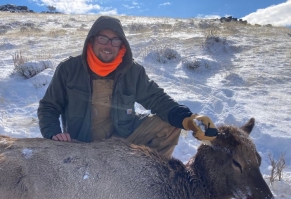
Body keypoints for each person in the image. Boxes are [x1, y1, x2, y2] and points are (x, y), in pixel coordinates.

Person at [38, 16, 217, 159]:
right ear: (91, 41)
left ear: (122, 45)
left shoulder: (133, 71)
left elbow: (157, 99)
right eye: (103, 39)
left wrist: (187, 119)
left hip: (122, 141)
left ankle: (150, 182)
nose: (109, 45)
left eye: (115, 41)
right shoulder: (69, 69)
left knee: (169, 125)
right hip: (82, 145)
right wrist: (54, 133)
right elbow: (49, 107)